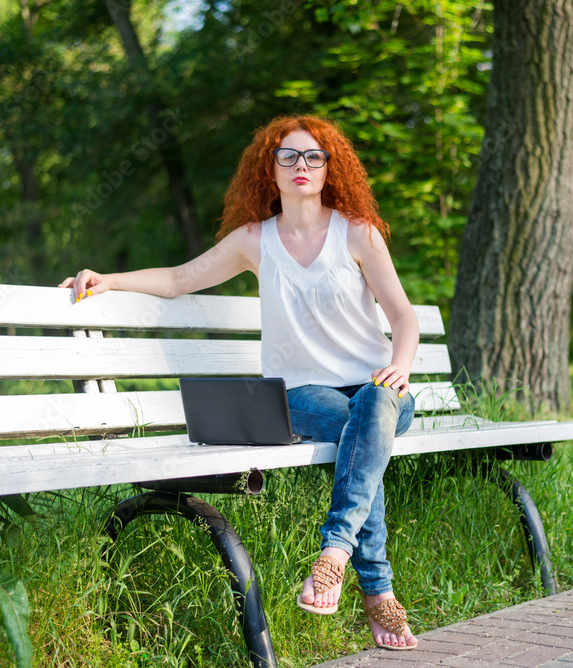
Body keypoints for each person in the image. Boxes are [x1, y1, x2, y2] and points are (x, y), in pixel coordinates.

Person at [59, 115, 420, 650]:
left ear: (330, 168)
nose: (302, 165)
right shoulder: (256, 240)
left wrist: (402, 365)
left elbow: (403, 316)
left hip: (385, 392)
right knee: (359, 431)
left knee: (370, 408)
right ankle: (371, 584)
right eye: (289, 157)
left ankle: (338, 554)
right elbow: (182, 279)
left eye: (314, 157)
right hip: (303, 397)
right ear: (269, 170)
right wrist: (108, 280)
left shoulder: (357, 232)